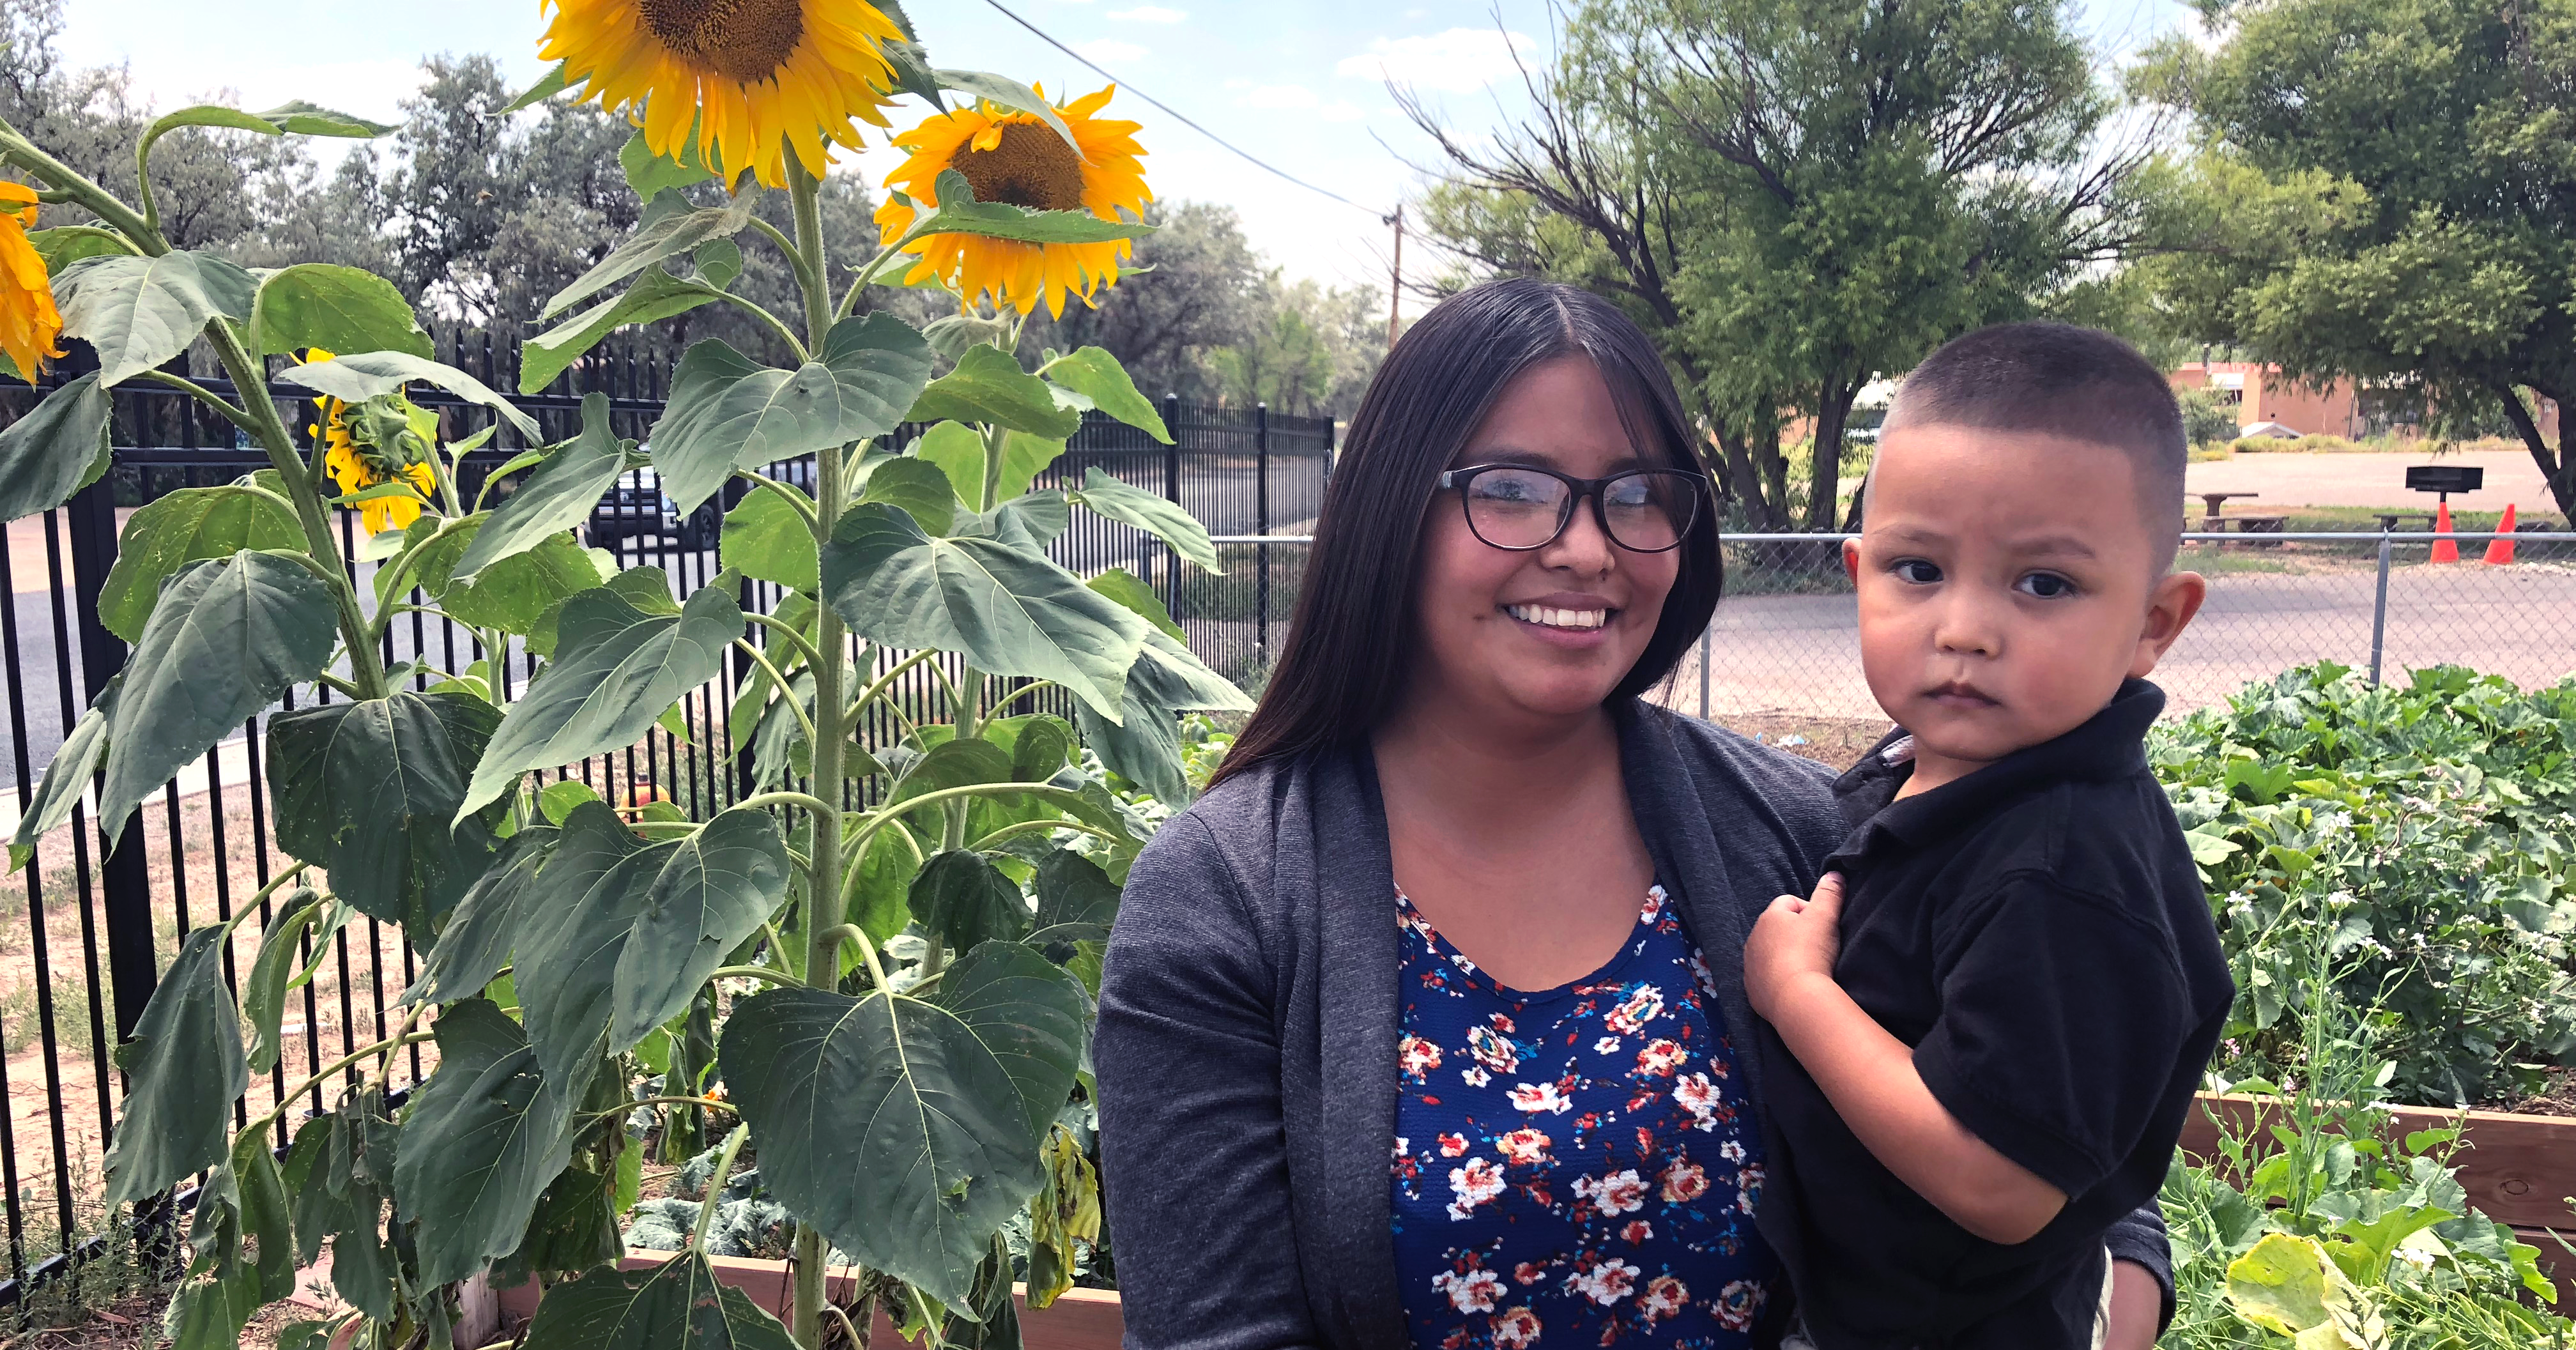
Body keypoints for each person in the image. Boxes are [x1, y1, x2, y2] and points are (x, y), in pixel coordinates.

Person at [1092, 280, 2177, 1350]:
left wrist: (2119, 1289)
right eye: (1512, 487)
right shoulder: (1226, 896)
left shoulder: (1803, 835)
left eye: (1635, 492)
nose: (1587, 549)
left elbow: (2049, 1111)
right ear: (1391, 511)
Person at [1742, 323, 2236, 1350]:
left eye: (2043, 584)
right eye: (1917, 569)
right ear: (1857, 571)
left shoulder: (2062, 869)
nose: (1964, 627)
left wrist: (1798, 997)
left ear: (2155, 623)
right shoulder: (1938, 769)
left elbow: (1998, 1182)